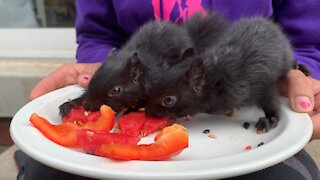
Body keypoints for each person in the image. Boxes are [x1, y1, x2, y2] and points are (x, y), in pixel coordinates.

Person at [18, 0, 320, 179]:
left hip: (239, 100)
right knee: (38, 172)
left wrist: (298, 77)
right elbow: (97, 34)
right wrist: (105, 75)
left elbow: (303, 42)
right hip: (146, 85)